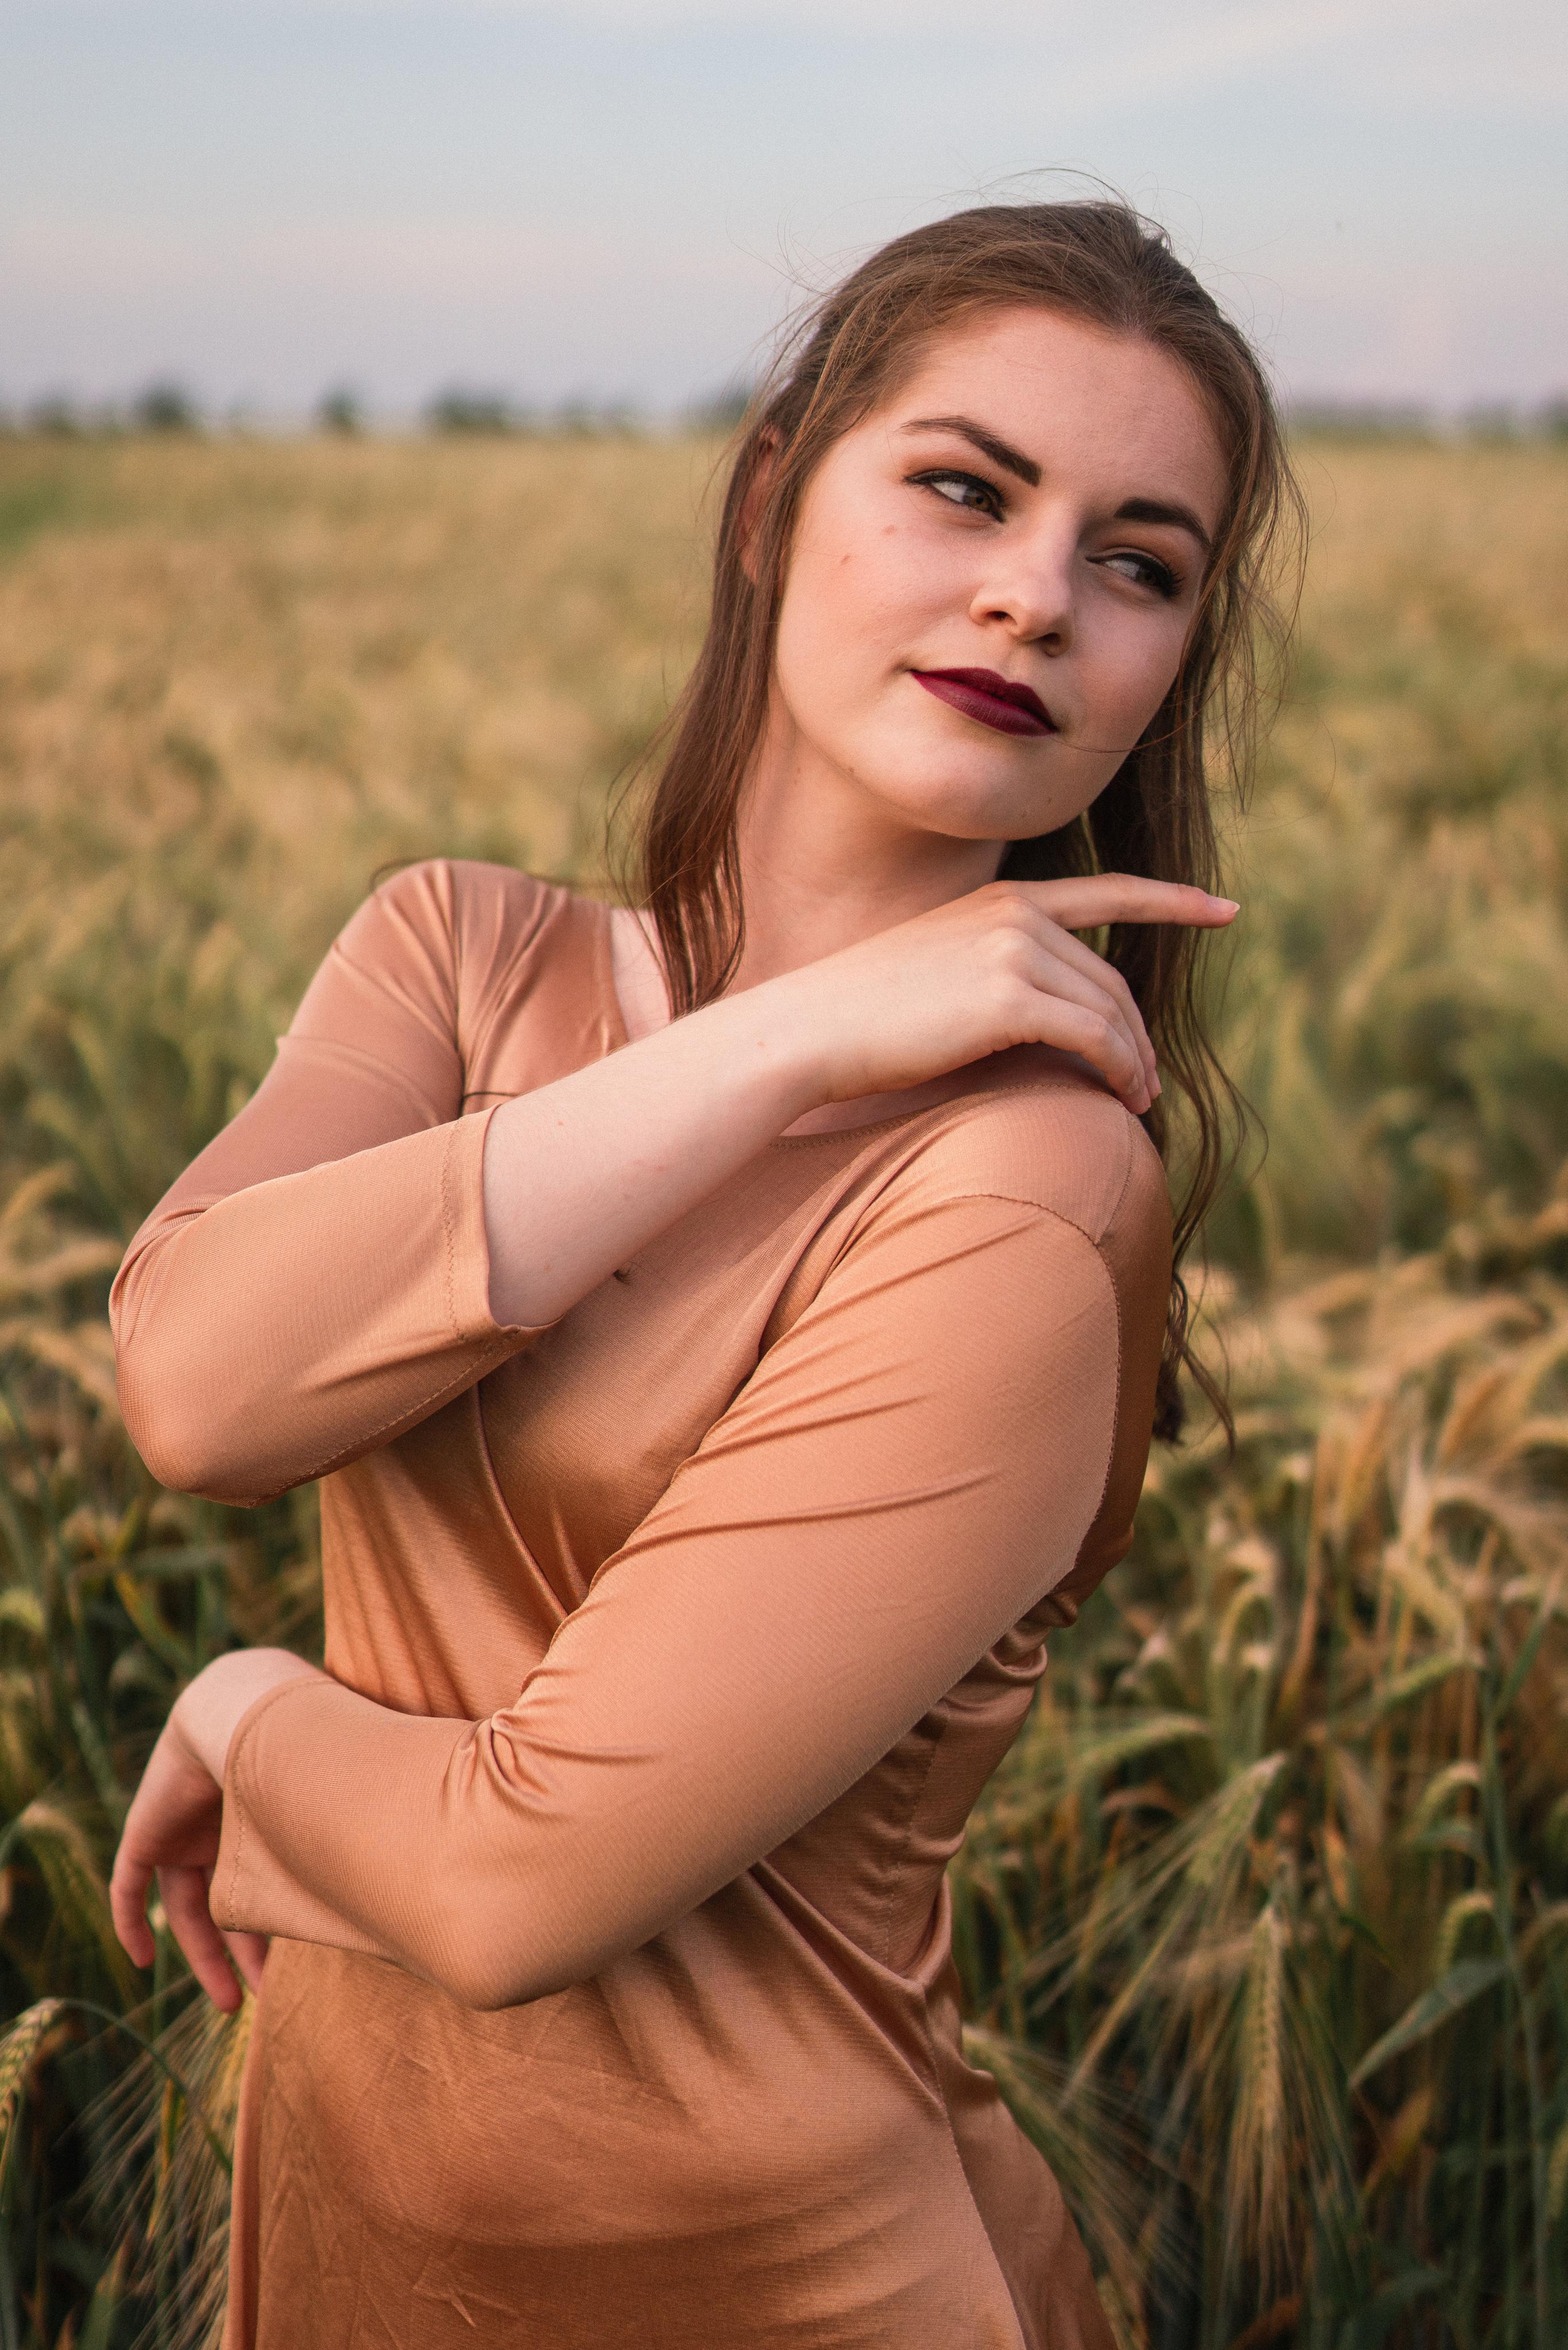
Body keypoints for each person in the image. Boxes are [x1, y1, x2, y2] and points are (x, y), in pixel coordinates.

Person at [108, 201, 1300, 2349]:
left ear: (1166, 664)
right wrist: (788, 1040)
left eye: (1140, 562)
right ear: (773, 500)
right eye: (966, 486)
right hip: (345, 2218)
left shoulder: (1024, 1184)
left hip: (758, 2285)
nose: (1037, 593)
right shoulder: (464, 955)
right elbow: (196, 1385)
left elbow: (511, 1887)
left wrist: (241, 1709)